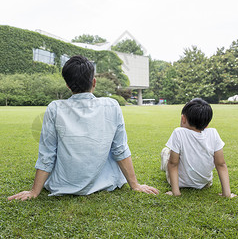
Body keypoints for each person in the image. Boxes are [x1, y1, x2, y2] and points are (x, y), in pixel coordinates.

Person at [9, 55, 159, 201]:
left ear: (67, 85)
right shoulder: (112, 105)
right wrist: (135, 185)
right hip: (106, 183)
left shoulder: (54, 108)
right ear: (94, 82)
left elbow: (47, 154)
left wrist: (34, 191)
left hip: (63, 185)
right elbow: (120, 149)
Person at [160, 98, 236, 198]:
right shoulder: (213, 133)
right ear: (207, 123)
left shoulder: (178, 133)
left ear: (183, 118)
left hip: (181, 183)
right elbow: (221, 164)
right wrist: (227, 194)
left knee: (166, 152)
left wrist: (175, 193)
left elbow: (173, 164)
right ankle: (225, 193)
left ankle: (171, 181)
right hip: (204, 183)